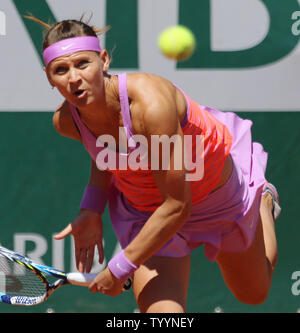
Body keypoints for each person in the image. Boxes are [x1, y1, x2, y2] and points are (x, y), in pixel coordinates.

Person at [28, 16, 281, 313]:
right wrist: (91, 208)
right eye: (61, 70)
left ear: (103, 60)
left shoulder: (151, 104)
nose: (73, 78)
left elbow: (177, 206)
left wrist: (121, 266)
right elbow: (105, 153)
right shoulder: (67, 121)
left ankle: (261, 199)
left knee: (253, 293)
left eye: (83, 64)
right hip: (148, 212)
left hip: (215, 197)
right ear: (49, 77)